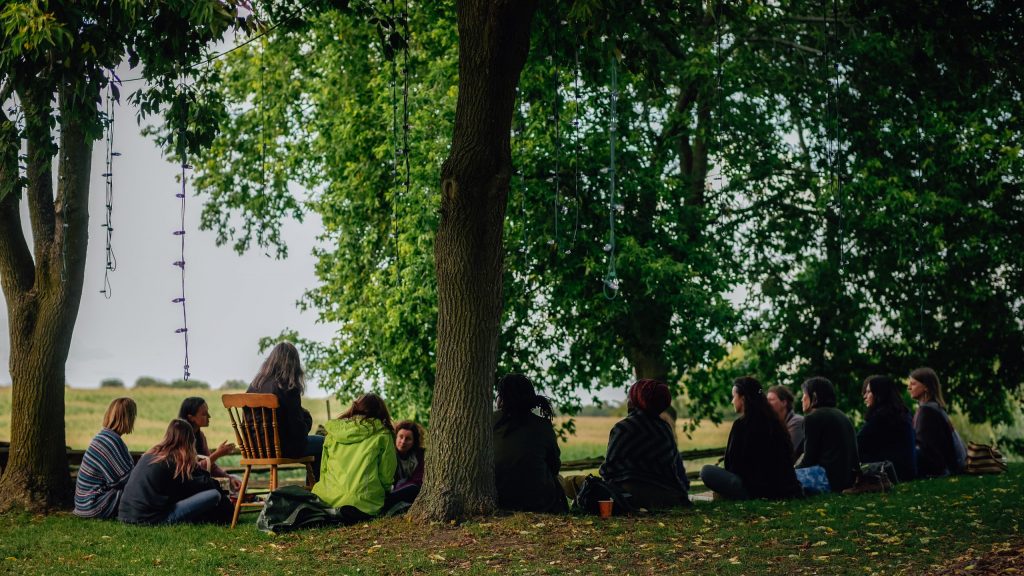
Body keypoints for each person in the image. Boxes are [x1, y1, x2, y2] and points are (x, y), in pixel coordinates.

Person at [700, 377, 802, 500]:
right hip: (783, 488)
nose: (732, 401)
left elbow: (733, 465)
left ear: (743, 399)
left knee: (706, 471)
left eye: (734, 396)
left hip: (755, 490)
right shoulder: (775, 422)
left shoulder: (741, 424)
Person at [118, 419, 228, 525]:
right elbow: (204, 484)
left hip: (125, 516)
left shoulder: (151, 455)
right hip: (151, 519)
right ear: (189, 441)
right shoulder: (176, 461)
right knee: (214, 495)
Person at [601, 379, 690, 509]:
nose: (628, 401)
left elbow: (609, 470)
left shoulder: (623, 428)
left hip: (630, 497)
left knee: (573, 482)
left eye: (630, 397)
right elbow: (673, 470)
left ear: (636, 400)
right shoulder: (665, 429)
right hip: (667, 497)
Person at [312, 393, 397, 520]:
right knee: (411, 490)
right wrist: (385, 493)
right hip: (365, 504)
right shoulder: (383, 435)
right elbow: (386, 475)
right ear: (381, 411)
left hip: (328, 500)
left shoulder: (334, 433)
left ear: (355, 407)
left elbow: (324, 469)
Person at [492, 374, 568, 513]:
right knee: (560, 480)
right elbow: (554, 466)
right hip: (540, 503)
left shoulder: (488, 421)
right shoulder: (542, 425)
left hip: (499, 498)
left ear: (501, 397)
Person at [247, 342, 324, 478]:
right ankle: (315, 492)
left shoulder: (254, 387)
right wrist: (307, 420)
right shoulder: (288, 388)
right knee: (323, 443)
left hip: (255, 449)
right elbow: (298, 432)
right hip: (281, 449)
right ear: (294, 364)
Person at [74, 398, 138, 519]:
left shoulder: (105, 436)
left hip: (84, 504)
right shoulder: (110, 441)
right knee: (140, 493)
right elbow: (123, 480)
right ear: (127, 418)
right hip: (94, 504)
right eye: (133, 416)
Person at [798, 377, 859, 492]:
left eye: (804, 395)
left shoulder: (812, 418)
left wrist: (793, 471)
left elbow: (809, 460)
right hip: (849, 480)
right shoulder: (842, 415)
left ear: (814, 396)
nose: (802, 399)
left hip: (829, 481)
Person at [857, 375, 916, 482]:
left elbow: (857, 443)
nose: (865, 396)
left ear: (879, 394)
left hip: (893, 473)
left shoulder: (881, 417)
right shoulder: (902, 413)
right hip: (906, 472)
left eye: (869, 392)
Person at [909, 367, 962, 477]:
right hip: (949, 467)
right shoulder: (934, 408)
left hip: (941, 470)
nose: (909, 387)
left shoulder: (927, 411)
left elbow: (925, 448)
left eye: (913, 384)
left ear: (926, 387)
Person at [178, 397, 240, 491]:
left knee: (236, 479)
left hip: (200, 479)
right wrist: (217, 454)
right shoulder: (182, 438)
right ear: (191, 418)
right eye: (204, 414)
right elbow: (194, 470)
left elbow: (212, 467)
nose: (209, 416)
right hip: (188, 484)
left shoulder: (200, 436)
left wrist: (229, 478)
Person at [389, 420, 425, 505]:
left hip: (409, 490)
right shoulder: (389, 453)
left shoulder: (419, 455)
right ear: (395, 437)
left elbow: (417, 480)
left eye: (408, 439)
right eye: (400, 437)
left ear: (414, 442)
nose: (403, 441)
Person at [767, 384, 805, 462]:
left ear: (784, 403)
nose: (767, 403)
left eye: (771, 400)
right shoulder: (773, 424)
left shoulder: (797, 422)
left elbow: (785, 454)